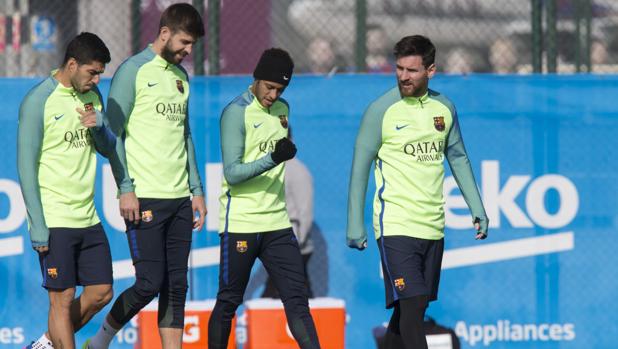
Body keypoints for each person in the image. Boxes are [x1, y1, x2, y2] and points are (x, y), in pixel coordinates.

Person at [346, 35, 489, 349]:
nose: (403, 76)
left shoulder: (444, 109)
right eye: (399, 68)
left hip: (432, 226)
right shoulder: (380, 110)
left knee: (406, 311)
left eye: (411, 70)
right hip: (395, 225)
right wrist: (355, 224)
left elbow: (458, 157)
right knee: (414, 305)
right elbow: (360, 169)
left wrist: (477, 208)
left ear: (431, 70)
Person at [84, 3, 206, 349]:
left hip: (180, 198)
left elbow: (185, 135)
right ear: (164, 33)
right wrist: (126, 188)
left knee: (176, 286)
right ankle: (99, 342)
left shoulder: (182, 78)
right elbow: (111, 135)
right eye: (184, 42)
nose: (188, 50)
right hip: (145, 197)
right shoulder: (133, 71)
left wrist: (196, 190)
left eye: (193, 44)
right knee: (149, 282)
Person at [208, 48, 321, 349]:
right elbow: (232, 174)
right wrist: (273, 158)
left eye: (279, 89)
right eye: (269, 87)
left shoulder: (283, 110)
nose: (273, 94)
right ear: (256, 78)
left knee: (298, 301)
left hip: (277, 225)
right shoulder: (235, 112)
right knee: (229, 301)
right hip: (242, 224)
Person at [18, 32, 115, 349]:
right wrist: (38, 224)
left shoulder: (92, 95)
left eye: (100, 72)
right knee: (62, 299)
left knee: (101, 291)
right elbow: (25, 167)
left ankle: (47, 342)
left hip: (87, 216)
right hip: (55, 218)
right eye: (92, 72)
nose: (96, 78)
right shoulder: (39, 101)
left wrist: (100, 126)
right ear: (72, 64)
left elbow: (106, 148)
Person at [262, 126, 315, 298]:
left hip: (294, 246)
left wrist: (294, 245)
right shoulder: (273, 168)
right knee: (295, 295)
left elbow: (304, 212)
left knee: (286, 295)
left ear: (290, 140)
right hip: (278, 244)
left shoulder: (297, 171)